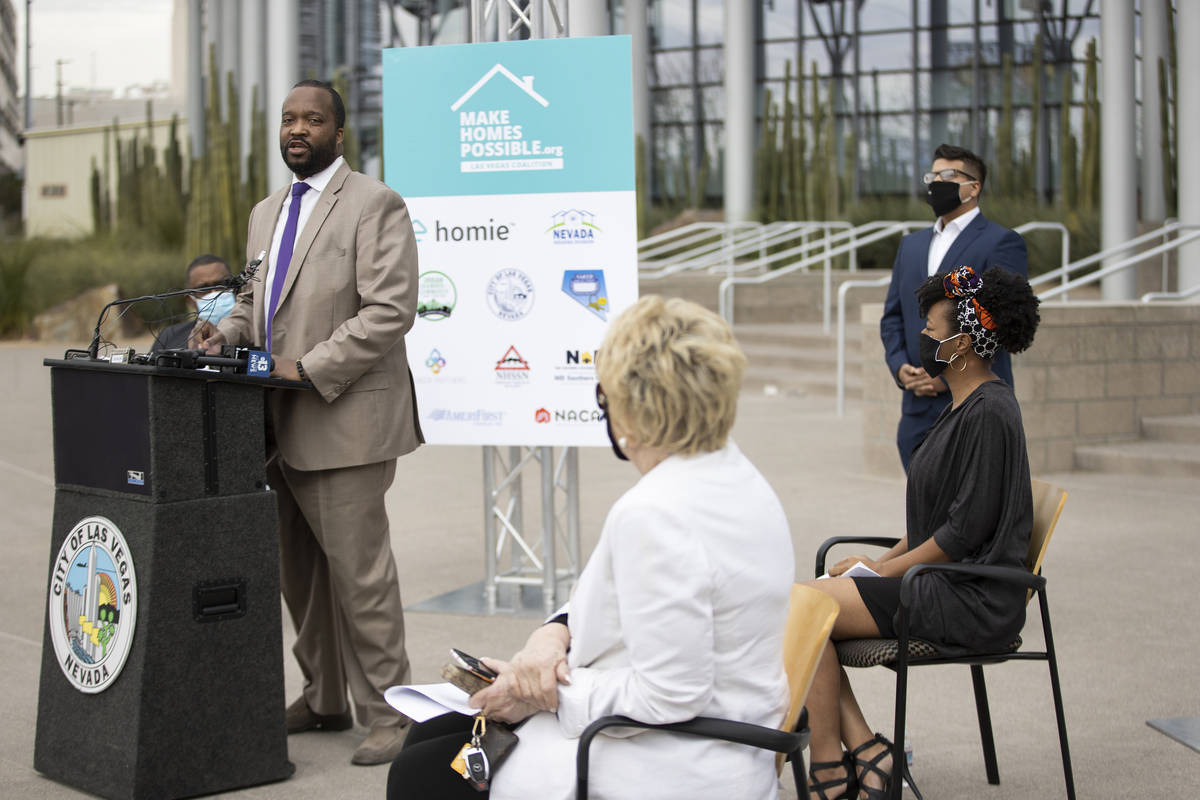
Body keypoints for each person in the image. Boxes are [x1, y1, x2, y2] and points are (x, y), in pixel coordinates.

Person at [386, 296, 796, 800]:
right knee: (432, 735)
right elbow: (622, 597)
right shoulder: (734, 476)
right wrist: (550, 638)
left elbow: (668, 697)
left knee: (420, 776)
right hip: (716, 735)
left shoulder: (656, 512)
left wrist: (539, 693)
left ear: (628, 408)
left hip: (675, 757)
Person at [195, 79, 423, 766]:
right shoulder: (267, 212)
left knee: (361, 578)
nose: (298, 129)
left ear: (339, 132)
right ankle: (324, 697)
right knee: (300, 577)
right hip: (272, 427)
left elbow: (388, 311)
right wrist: (225, 334)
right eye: (289, 119)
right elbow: (254, 304)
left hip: (342, 420)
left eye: (313, 119)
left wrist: (305, 368)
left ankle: (391, 713)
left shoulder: (375, 204)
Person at [804, 265, 1041, 800]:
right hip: (943, 578)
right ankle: (866, 754)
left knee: (803, 609)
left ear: (967, 340)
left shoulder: (990, 413)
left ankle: (832, 770)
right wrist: (871, 563)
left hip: (970, 596)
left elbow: (959, 534)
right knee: (801, 606)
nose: (926, 336)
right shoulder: (960, 406)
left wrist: (878, 571)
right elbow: (938, 521)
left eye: (935, 328)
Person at [880, 143, 1028, 469]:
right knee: (922, 512)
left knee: (968, 512)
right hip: (917, 409)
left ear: (973, 187)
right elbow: (892, 316)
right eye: (931, 175)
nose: (935, 183)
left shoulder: (1001, 242)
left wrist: (947, 375)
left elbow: (1006, 322)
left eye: (947, 175)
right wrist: (901, 368)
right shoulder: (911, 245)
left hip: (972, 407)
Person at [151, 254, 233, 351]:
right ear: (190, 300)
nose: (214, 294)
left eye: (221, 285)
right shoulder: (169, 337)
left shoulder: (252, 333)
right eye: (204, 288)